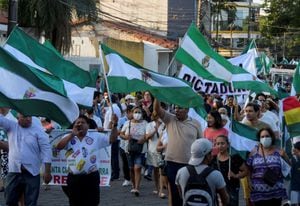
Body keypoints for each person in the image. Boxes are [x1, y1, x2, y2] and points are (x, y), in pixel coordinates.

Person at [56, 114, 118, 206]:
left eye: (83, 122)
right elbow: (59, 147)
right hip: (74, 178)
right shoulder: (69, 137)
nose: (80, 124)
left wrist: (115, 125)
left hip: (91, 177)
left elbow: (112, 139)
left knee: (92, 203)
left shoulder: (96, 136)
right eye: (77, 123)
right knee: (75, 203)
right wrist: (72, 134)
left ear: (88, 125)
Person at [153, 99, 202, 206]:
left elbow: (200, 143)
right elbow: (157, 109)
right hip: (172, 163)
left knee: (189, 192)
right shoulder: (170, 119)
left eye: (180, 108)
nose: (177, 110)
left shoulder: (196, 124)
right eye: (175, 108)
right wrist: (157, 95)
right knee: (174, 192)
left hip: (190, 164)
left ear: (187, 109)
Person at [0, 113, 52, 206]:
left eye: (30, 116)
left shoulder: (38, 130)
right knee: (10, 201)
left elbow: (46, 150)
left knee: (31, 203)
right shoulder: (11, 125)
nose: (28, 119)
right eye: (25, 116)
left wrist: (47, 171)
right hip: (14, 171)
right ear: (18, 117)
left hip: (32, 173)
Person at [176, 138, 229, 206]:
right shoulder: (216, 174)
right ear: (207, 155)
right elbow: (225, 200)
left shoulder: (181, 172)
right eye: (210, 152)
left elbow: (181, 195)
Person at [247, 127, 289, 206]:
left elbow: (288, 168)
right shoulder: (253, 152)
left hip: (276, 193)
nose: (265, 138)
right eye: (262, 137)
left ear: (272, 137)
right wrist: (249, 182)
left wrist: (285, 156)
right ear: (259, 139)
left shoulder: (279, 151)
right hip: (259, 194)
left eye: (267, 136)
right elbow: (249, 169)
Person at [211, 135, 248, 206]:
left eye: (222, 143)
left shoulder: (235, 158)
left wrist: (236, 175)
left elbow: (246, 171)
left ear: (228, 145)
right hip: (217, 192)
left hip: (232, 191)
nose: (220, 146)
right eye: (218, 144)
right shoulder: (212, 159)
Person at [124, 106, 148, 196]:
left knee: (137, 167)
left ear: (142, 114)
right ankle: (133, 185)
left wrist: (144, 138)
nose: (137, 114)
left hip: (140, 149)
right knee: (131, 168)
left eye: (139, 112)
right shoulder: (128, 123)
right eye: (136, 112)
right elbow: (121, 134)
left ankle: (137, 188)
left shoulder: (145, 123)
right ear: (132, 113)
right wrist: (126, 137)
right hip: (129, 149)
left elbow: (148, 134)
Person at [145, 113, 165, 197]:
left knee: (162, 171)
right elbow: (147, 137)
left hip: (163, 150)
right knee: (156, 171)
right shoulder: (149, 125)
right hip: (152, 150)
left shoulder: (165, 124)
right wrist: (155, 130)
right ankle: (157, 188)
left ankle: (161, 190)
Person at [290, 141, 300, 206]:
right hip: (295, 187)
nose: (294, 151)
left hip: (295, 187)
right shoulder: (293, 159)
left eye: (295, 149)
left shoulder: (294, 159)